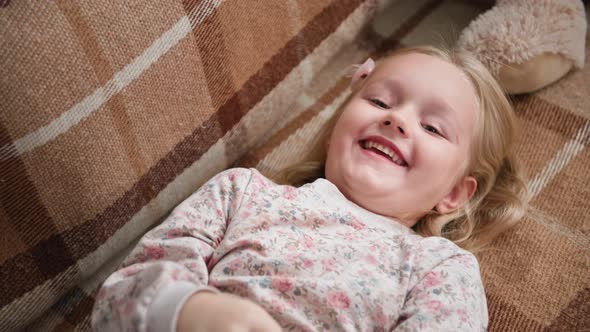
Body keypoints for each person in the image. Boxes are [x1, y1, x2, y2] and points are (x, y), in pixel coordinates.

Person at [92, 45, 528, 332]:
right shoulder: (243, 192)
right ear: (338, 126)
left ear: (453, 194)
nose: (397, 120)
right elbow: (120, 295)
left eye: (432, 127)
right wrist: (196, 312)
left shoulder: (438, 267)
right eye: (379, 101)